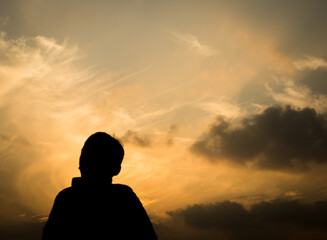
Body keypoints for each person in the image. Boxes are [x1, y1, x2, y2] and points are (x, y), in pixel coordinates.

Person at [42, 132, 157, 240]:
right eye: (85, 153)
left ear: (116, 169)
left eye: (97, 156)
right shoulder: (65, 198)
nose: (85, 160)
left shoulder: (124, 197)